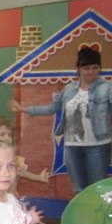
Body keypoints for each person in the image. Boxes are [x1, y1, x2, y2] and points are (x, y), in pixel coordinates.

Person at [9, 46, 111, 194]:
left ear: (99, 69)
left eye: (95, 68)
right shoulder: (69, 89)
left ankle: (98, 210)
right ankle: (80, 210)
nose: (91, 71)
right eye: (87, 68)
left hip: (98, 146)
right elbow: (52, 107)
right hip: (72, 147)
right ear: (79, 69)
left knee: (97, 188)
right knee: (78, 189)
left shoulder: (106, 88)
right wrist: (23, 109)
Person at [0, 115, 50, 184]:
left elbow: (22, 172)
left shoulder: (8, 155)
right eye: (2, 134)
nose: (7, 138)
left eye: (9, 135)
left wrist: (39, 177)